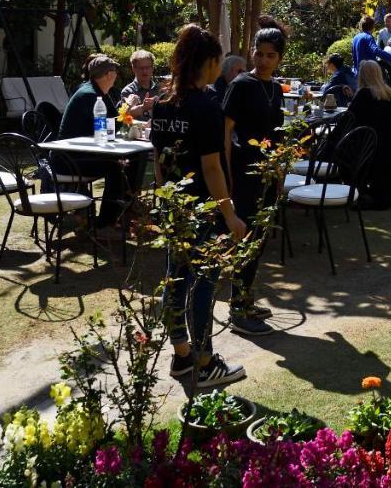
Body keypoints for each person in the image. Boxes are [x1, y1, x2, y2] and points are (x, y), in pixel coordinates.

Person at [150, 24, 247, 389]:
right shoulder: (206, 105)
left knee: (175, 278)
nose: (218, 69)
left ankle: (182, 355)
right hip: (203, 210)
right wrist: (229, 213)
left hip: (173, 206)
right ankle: (204, 360)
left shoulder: (162, 103)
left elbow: (159, 158)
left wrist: (165, 202)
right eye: (217, 62)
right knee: (203, 282)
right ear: (207, 62)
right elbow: (211, 166)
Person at [219, 25, 289, 335]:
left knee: (258, 240)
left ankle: (245, 299)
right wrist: (226, 174)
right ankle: (237, 308)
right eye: (258, 54)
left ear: (279, 59)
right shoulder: (241, 85)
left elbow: (276, 134)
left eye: (269, 56)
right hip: (244, 173)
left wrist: (281, 167)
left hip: (268, 172)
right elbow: (225, 131)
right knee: (244, 238)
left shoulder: (275, 89)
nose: (262, 61)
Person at [58, 54, 128, 228]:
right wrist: (129, 112)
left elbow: (111, 123)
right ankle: (106, 222)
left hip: (80, 153)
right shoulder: (89, 95)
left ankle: (122, 212)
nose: (116, 76)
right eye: (114, 71)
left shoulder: (98, 92)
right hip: (69, 160)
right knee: (116, 167)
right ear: (108, 75)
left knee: (128, 162)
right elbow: (108, 129)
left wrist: (126, 112)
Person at [348, 60, 391, 206]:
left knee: (339, 145)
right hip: (389, 145)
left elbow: (350, 118)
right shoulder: (388, 93)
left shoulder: (363, 95)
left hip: (370, 147)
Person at [352, 16, 391, 81]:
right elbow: (376, 50)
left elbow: (354, 56)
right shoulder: (368, 37)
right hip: (368, 73)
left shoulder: (356, 38)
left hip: (357, 73)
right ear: (372, 27)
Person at [120, 49, 162, 119]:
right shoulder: (128, 91)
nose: (145, 71)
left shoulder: (160, 90)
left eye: (147, 67)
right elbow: (124, 115)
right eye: (141, 68)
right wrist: (143, 107)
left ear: (152, 68)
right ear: (133, 69)